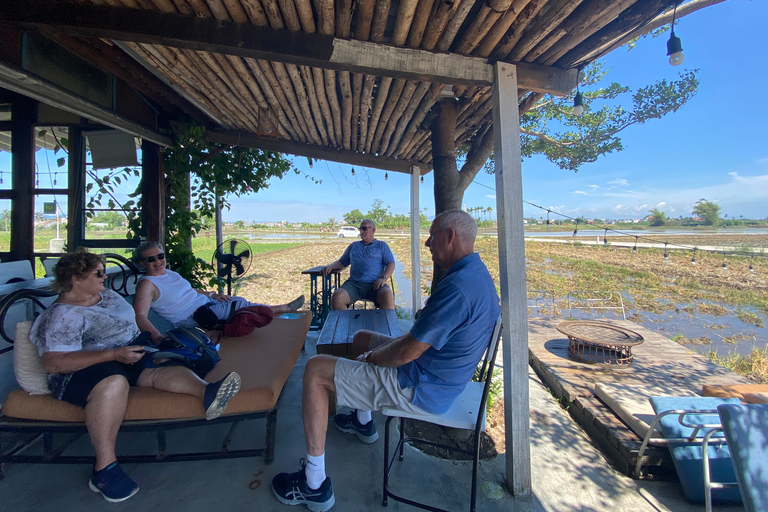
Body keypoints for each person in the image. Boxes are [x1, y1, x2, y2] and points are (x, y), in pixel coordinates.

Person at [272, 210, 500, 511]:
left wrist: (374, 358)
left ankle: (313, 484)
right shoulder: (475, 275)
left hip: (420, 386)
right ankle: (362, 421)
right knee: (361, 337)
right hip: (437, 373)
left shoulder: (458, 288)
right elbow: (420, 341)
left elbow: (407, 353)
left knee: (315, 369)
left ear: (450, 237)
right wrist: (376, 350)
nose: (428, 242)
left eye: (432, 236)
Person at [30, 250, 242, 503]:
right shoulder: (60, 316)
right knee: (114, 383)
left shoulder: (105, 296)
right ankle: (104, 469)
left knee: (163, 362)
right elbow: (54, 363)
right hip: (80, 371)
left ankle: (208, 392)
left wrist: (145, 344)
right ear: (76, 277)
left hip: (124, 354)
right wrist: (113, 355)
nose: (104, 276)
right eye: (98, 272)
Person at [133, 241, 304, 342]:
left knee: (235, 301)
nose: (158, 261)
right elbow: (140, 315)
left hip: (206, 304)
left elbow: (190, 290)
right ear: (142, 263)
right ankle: (283, 309)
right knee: (241, 306)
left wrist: (211, 294)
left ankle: (271, 311)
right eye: (151, 259)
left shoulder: (169, 273)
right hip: (195, 316)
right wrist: (156, 337)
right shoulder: (147, 284)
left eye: (160, 256)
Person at [321, 219, 395, 310]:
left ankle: (383, 323)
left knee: (388, 296)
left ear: (373, 230)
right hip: (354, 284)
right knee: (337, 297)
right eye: (360, 229)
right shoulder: (354, 246)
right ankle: (345, 323)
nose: (361, 232)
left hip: (375, 284)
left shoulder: (381, 245)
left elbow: (391, 263)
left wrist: (383, 278)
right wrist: (330, 266)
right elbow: (342, 262)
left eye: (364, 229)